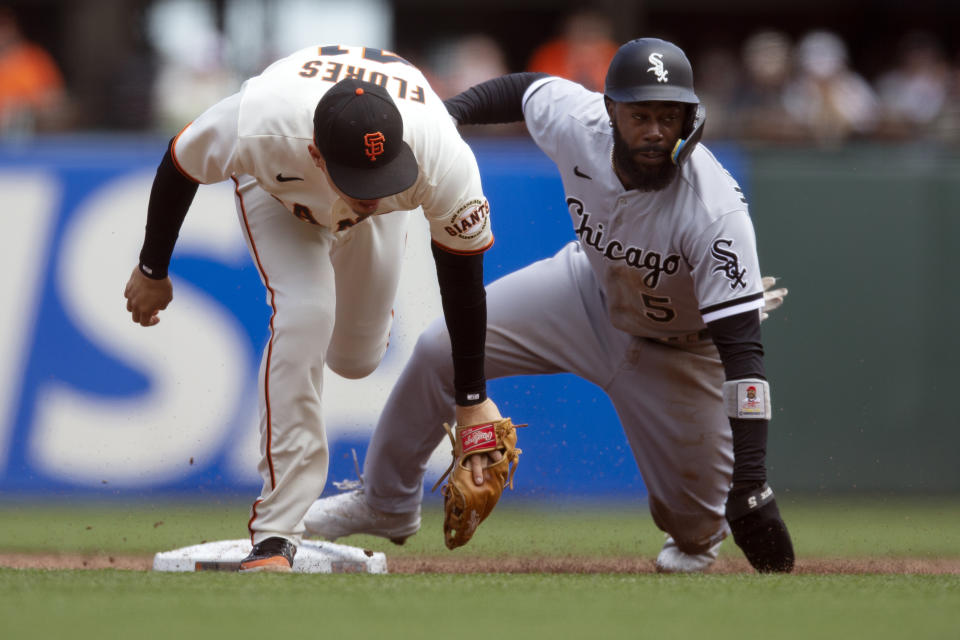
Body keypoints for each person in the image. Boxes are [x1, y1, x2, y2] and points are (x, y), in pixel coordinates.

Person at [302, 37, 795, 574]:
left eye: (669, 116)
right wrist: (446, 119)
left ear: (689, 117)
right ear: (611, 111)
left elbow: (745, 357)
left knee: (696, 531)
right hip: (586, 292)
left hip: (682, 349)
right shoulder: (580, 121)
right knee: (438, 350)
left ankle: (697, 536)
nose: (655, 130)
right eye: (641, 114)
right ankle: (386, 503)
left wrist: (750, 483)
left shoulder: (715, 211)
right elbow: (522, 90)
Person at [123, 44, 503, 572]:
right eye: (360, 178)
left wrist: (472, 400)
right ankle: (276, 533)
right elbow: (180, 161)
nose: (371, 190)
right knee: (305, 316)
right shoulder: (257, 122)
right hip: (280, 200)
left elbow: (462, 274)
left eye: (384, 171)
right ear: (317, 153)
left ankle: (356, 294)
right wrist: (151, 269)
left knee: (356, 358)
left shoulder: (437, 153)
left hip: (380, 213)